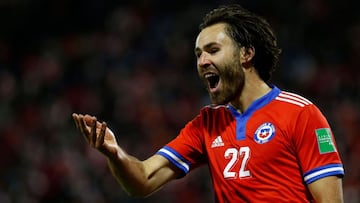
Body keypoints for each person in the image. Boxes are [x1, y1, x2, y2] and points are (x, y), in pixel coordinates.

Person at [72, 4, 344, 202]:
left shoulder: (301, 114)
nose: (202, 62)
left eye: (213, 50)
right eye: (198, 54)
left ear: (246, 54)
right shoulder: (207, 125)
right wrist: (115, 153)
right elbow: (143, 180)